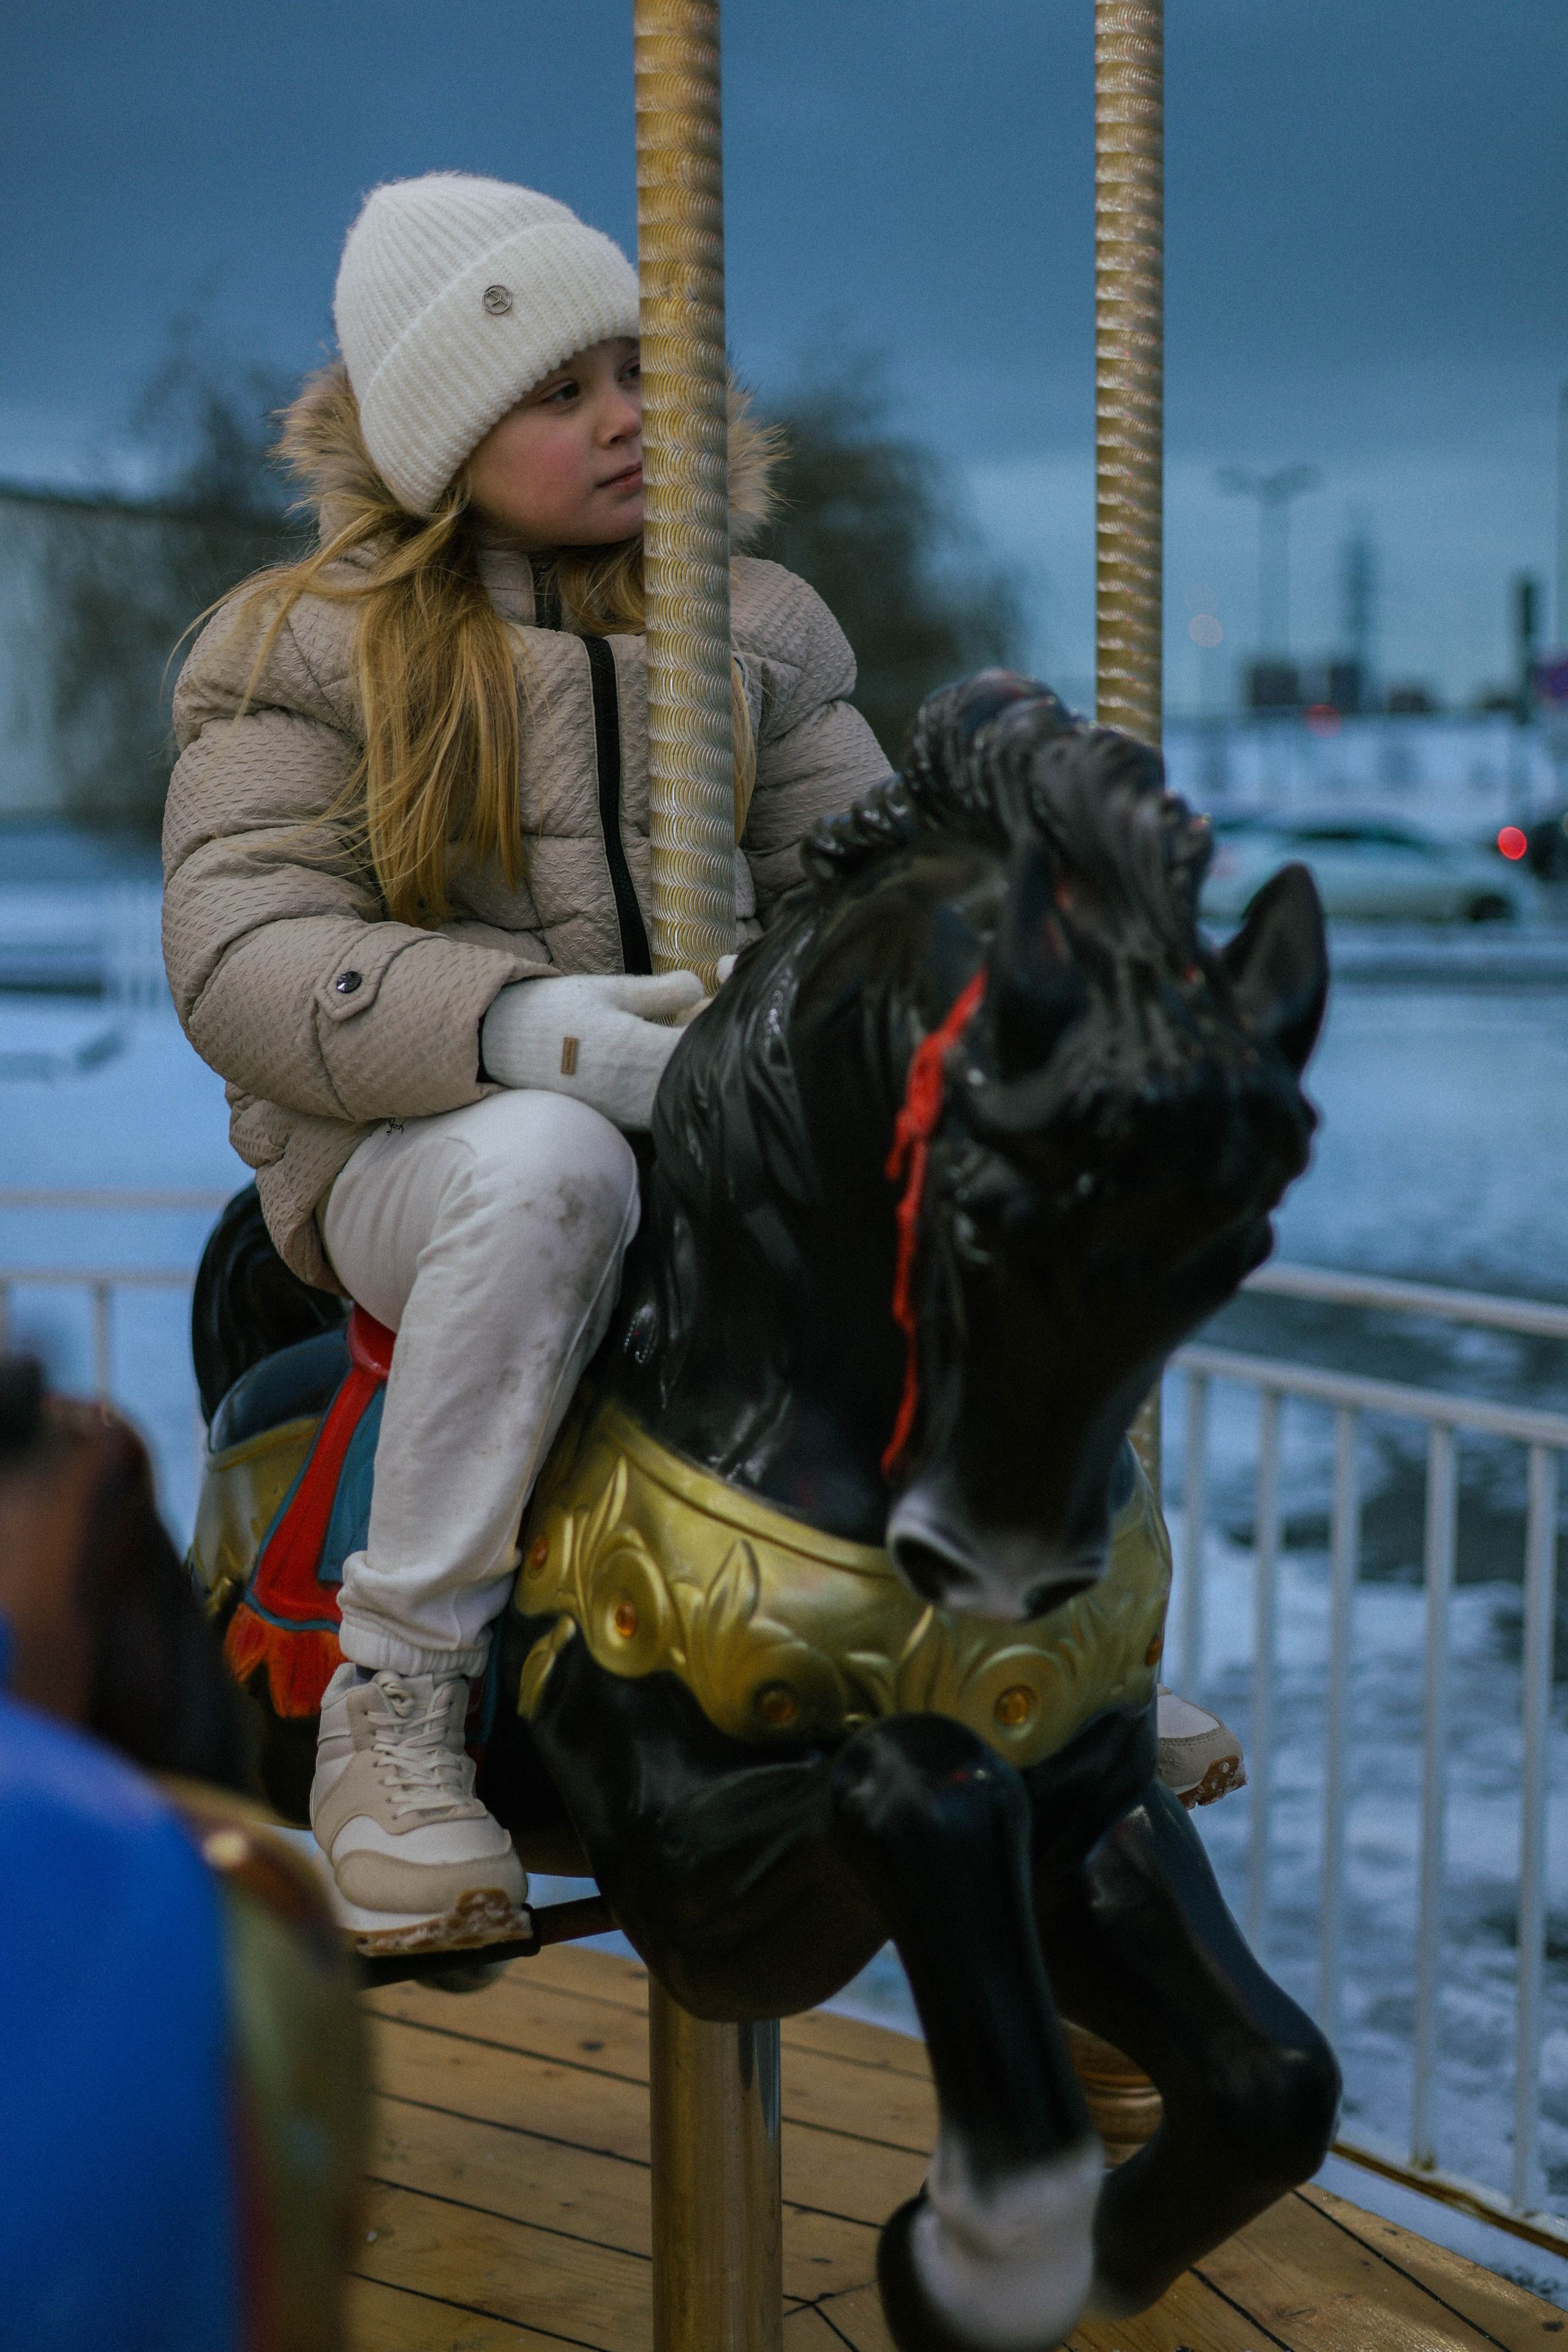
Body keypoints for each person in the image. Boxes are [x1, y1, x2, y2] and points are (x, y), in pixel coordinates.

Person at [164, 173, 892, 1940]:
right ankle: (397, 1707)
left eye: (636, 371)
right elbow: (240, 949)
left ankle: (1037, 1633)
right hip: (413, 1149)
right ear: (446, 435)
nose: (627, 416)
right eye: (562, 393)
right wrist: (521, 1032)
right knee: (550, 1163)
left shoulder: (757, 627)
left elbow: (865, 883)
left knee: (958, 1141)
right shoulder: (301, 648)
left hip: (715, 1128)